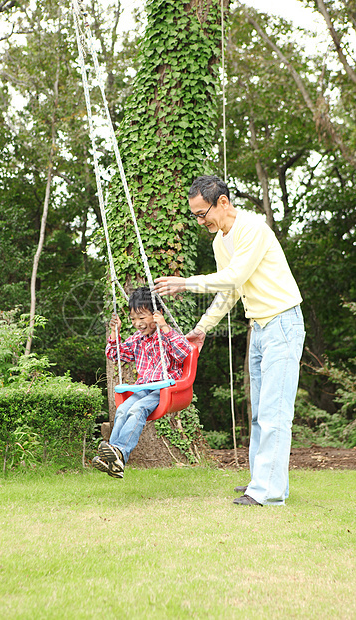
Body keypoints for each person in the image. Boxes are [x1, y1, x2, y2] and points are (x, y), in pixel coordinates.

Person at [154, 175, 305, 506]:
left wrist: (186, 282)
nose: (200, 220)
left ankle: (268, 493)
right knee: (259, 413)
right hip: (260, 328)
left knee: (274, 411)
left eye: (201, 212)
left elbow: (235, 276)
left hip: (283, 323)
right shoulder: (219, 243)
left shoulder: (253, 228)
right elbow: (231, 290)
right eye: (194, 214)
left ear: (222, 202)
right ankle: (261, 481)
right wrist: (203, 327)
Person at [93, 286, 192, 479]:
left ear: (157, 314)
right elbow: (115, 354)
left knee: (137, 410)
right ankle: (113, 460)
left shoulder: (167, 337)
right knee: (122, 410)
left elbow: (184, 352)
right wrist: (115, 332)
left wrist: (164, 326)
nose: (138, 323)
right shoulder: (138, 340)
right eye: (133, 319)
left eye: (142, 317)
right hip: (144, 389)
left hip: (165, 390)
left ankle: (119, 452)